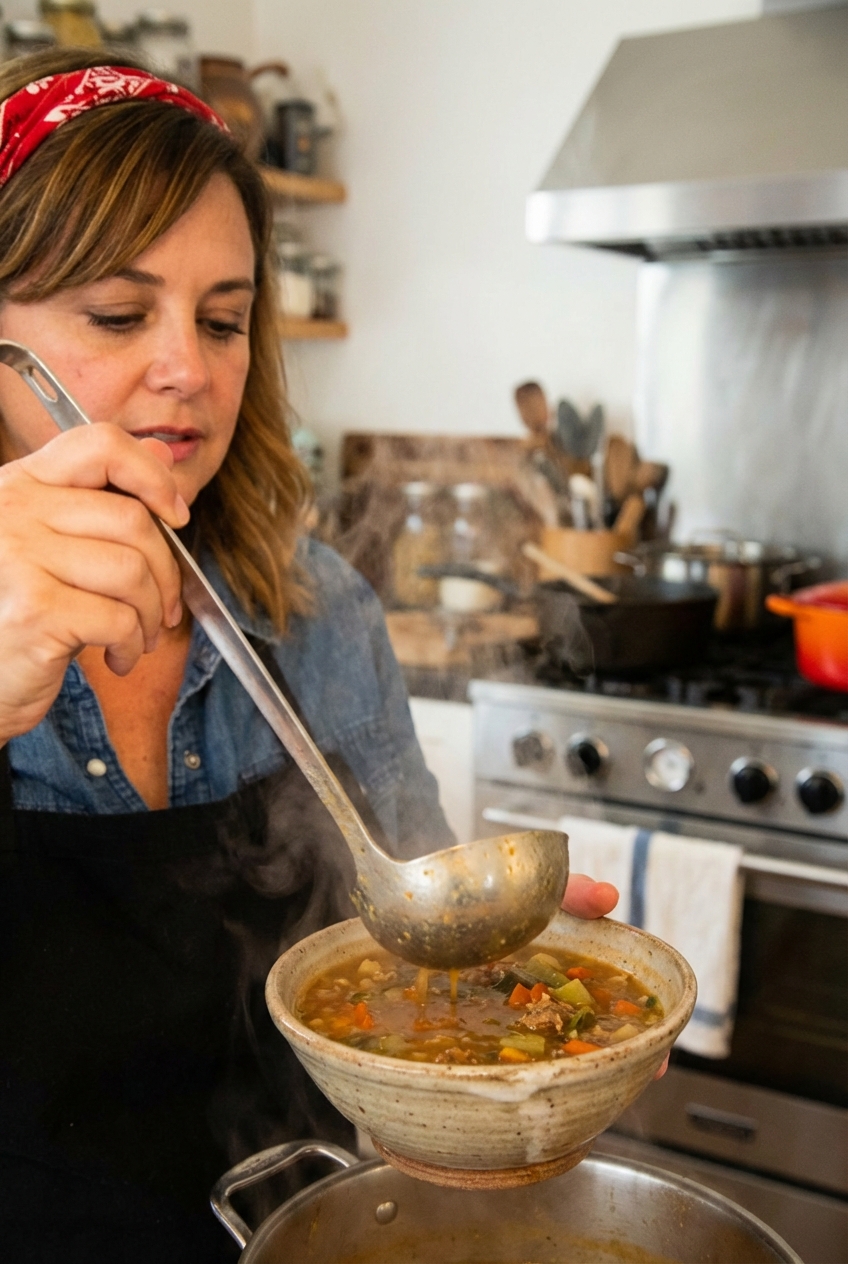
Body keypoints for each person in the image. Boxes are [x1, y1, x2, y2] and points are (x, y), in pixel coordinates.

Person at [0, 49, 619, 1262]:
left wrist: (512, 983)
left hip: (303, 1227)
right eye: (120, 314)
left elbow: (399, 921)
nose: (189, 366)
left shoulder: (320, 605)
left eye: (224, 318)